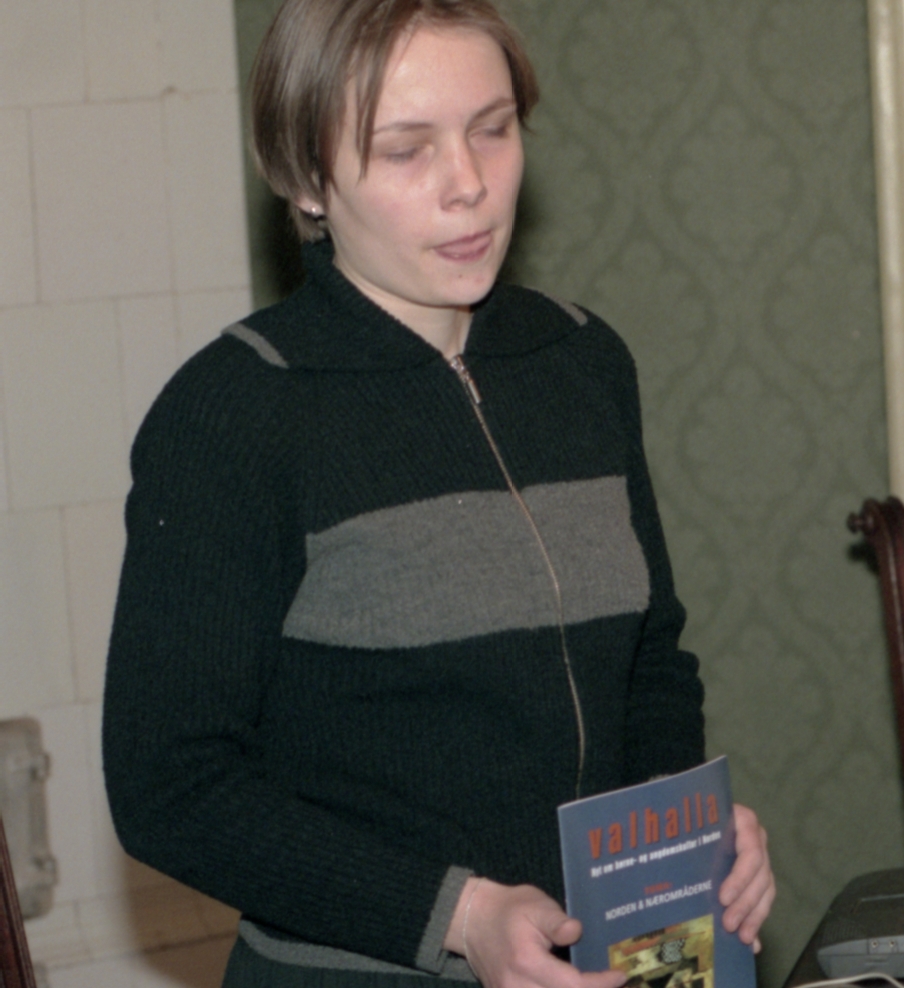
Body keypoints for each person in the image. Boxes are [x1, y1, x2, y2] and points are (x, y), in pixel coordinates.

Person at [100, 1, 773, 986]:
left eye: (492, 129)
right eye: (405, 149)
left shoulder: (583, 362)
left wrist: (686, 832)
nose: (469, 184)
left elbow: (652, 664)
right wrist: (459, 914)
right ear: (304, 178)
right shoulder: (236, 411)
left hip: (611, 960)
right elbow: (170, 787)